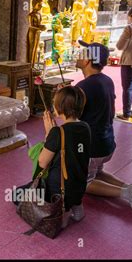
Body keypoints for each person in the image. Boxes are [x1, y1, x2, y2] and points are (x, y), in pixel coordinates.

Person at [75, 40, 132, 215]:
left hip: (92, 147)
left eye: (82, 53)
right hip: (107, 143)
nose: (78, 56)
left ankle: (125, 193)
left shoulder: (83, 86)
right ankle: (129, 186)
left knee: (82, 182)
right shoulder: (106, 80)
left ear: (87, 61)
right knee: (98, 172)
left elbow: (71, 118)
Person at [38, 86, 91, 227]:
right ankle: (77, 207)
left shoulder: (57, 133)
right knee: (74, 184)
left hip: (60, 189)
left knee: (18, 195)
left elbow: (42, 162)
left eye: (55, 101)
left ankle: (63, 213)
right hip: (80, 184)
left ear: (59, 107)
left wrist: (50, 134)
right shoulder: (86, 127)